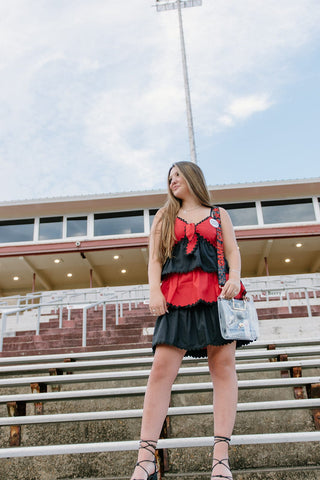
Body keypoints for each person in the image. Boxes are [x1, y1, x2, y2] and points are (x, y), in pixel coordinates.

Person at [130, 161, 250, 480]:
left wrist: (236, 277)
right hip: (175, 296)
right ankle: (145, 460)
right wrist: (155, 290)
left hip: (217, 294)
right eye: (169, 178)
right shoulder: (164, 215)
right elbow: (155, 259)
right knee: (160, 371)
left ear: (193, 178)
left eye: (178, 175)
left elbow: (233, 251)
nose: (172, 182)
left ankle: (221, 458)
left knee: (222, 369)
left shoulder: (218, 213)